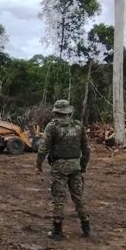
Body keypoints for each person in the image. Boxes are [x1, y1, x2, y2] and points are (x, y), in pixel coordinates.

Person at [36, 99, 91, 240]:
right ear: (68, 112)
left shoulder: (52, 127)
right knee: (78, 197)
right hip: (75, 166)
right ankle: (86, 228)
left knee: (59, 198)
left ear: (56, 112)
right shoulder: (78, 126)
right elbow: (86, 149)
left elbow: (43, 148)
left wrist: (39, 164)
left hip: (59, 167)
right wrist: (83, 165)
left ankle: (57, 230)